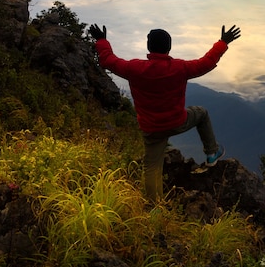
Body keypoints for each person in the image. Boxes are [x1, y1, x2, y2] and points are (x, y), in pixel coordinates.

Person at [88, 23, 241, 201]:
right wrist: (223, 42)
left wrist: (101, 40)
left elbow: (108, 60)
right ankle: (212, 154)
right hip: (178, 122)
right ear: (169, 48)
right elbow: (205, 63)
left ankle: (155, 208)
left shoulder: (134, 68)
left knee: (152, 168)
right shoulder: (179, 68)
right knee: (202, 113)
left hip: (152, 129)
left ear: (149, 47)